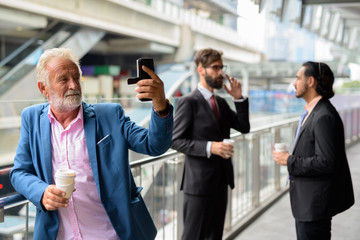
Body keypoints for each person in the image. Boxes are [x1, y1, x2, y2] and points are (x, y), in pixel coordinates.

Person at [10, 48, 173, 240]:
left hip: (112, 234)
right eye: (63, 79)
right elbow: (19, 172)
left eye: (76, 77)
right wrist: (41, 192)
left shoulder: (110, 115)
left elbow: (154, 145)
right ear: (43, 88)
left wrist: (160, 105)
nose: (73, 85)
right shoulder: (31, 118)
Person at [171, 48, 250, 239]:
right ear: (200, 69)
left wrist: (238, 98)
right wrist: (210, 147)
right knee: (193, 236)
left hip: (221, 182)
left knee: (215, 236)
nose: (220, 72)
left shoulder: (221, 103)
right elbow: (175, 140)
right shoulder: (188, 102)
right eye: (215, 68)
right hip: (198, 186)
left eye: (221, 67)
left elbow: (243, 127)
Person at [273, 61, 354, 240]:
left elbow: (326, 162)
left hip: (314, 206)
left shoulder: (324, 116)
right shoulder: (314, 112)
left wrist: (289, 160)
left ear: (310, 81)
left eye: (297, 78)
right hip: (308, 203)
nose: (294, 83)